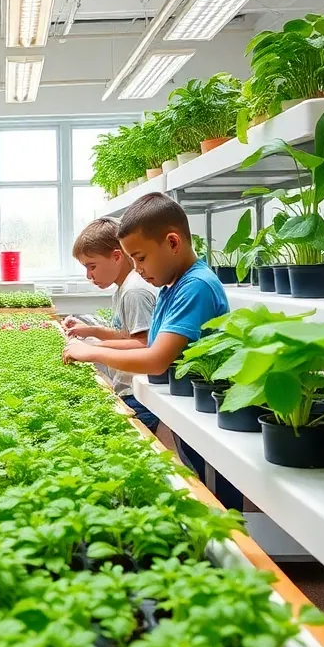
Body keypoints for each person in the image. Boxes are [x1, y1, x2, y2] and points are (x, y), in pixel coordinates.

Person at [62, 193, 242, 510]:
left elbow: (156, 357)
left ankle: (237, 552)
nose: (138, 268)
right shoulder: (173, 286)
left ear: (172, 242)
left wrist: (93, 351)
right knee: (198, 474)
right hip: (189, 408)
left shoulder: (196, 286)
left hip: (207, 411)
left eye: (141, 258)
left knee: (216, 498)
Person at [63, 217, 158, 430]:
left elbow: (145, 344)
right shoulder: (124, 287)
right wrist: (92, 331)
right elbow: (128, 335)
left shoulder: (135, 291)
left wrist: (92, 349)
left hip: (139, 391)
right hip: (129, 386)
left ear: (116, 256)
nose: (89, 275)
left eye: (92, 266)